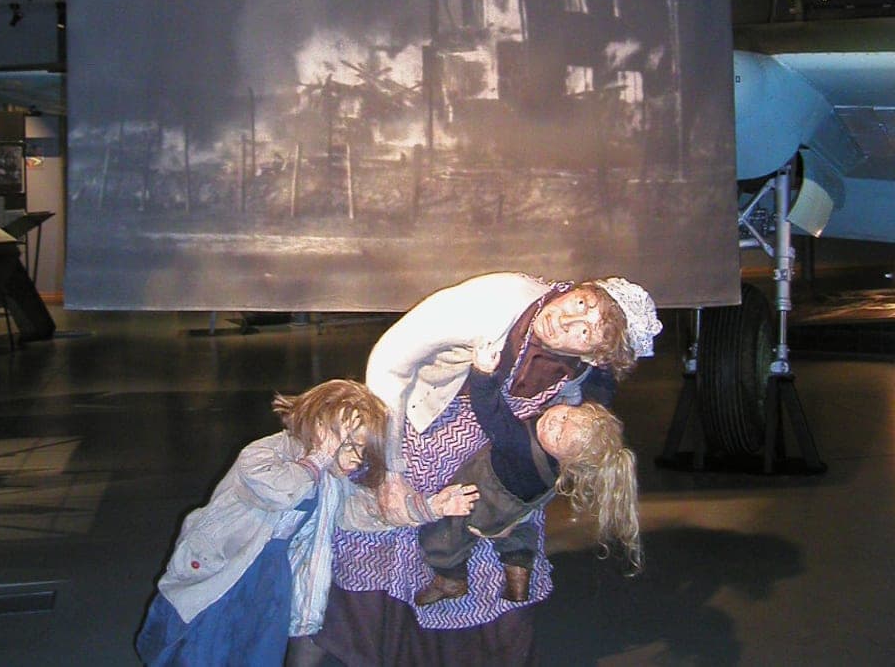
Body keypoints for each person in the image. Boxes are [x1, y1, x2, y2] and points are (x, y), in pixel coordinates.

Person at [315, 271, 661, 665]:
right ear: (577, 289)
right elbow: (390, 362)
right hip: (425, 435)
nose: (566, 321)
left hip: (500, 467)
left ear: (594, 355)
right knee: (407, 539)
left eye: (584, 332)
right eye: (581, 303)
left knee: (489, 557)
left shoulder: (586, 369)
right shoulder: (494, 302)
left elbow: (586, 401)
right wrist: (390, 471)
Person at [135, 379, 479, 666]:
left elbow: (362, 511)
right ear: (319, 428)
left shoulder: (331, 478)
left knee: (254, 648)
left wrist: (428, 508)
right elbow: (280, 491)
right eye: (348, 445)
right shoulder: (264, 454)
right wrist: (320, 457)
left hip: (270, 579)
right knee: (203, 646)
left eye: (362, 450)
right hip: (225, 570)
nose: (355, 459)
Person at [414, 340, 641, 608]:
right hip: (525, 499)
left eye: (558, 435)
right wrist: (602, 367)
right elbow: (599, 395)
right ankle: (518, 573)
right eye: (566, 416)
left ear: (568, 459)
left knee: (448, 527)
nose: (555, 422)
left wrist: (483, 374)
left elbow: (490, 412)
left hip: (488, 493)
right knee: (519, 527)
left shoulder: (520, 445)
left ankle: (451, 578)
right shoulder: (579, 450)